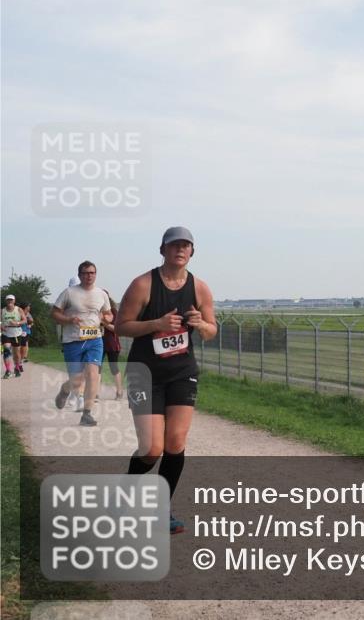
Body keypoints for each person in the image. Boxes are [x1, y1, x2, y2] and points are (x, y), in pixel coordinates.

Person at [116, 227, 216, 535]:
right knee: (152, 448)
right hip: (145, 374)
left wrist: (202, 325)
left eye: (186, 245)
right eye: (174, 245)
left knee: (175, 442)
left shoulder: (200, 288)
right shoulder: (143, 284)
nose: (180, 250)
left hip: (181, 372)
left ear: (192, 252)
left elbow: (212, 329)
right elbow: (121, 327)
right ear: (163, 250)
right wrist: (156, 324)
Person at [52, 263, 112, 427]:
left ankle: (87, 414)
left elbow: (108, 313)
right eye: (85, 273)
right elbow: (55, 313)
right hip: (73, 340)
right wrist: (68, 320)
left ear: (96, 274)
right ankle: (65, 391)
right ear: (79, 275)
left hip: (95, 339)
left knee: (92, 375)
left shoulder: (101, 294)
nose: (89, 276)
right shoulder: (69, 293)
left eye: (92, 273)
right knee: (76, 381)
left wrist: (108, 319)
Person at [101, 289, 124, 400]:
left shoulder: (113, 312)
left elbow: (116, 329)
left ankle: (119, 392)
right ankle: (95, 393)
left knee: (113, 367)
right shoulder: (96, 311)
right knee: (96, 368)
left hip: (112, 344)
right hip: (98, 344)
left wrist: (104, 323)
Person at [2, 295, 26, 378]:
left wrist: (17, 323)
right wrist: (1, 326)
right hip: (6, 333)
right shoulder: (2, 311)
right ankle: (8, 370)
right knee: (6, 350)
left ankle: (16, 367)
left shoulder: (18, 309)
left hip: (16, 333)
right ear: (6, 301)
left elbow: (24, 320)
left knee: (16, 353)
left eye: (11, 300)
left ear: (14, 301)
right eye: (8, 300)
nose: (9, 301)